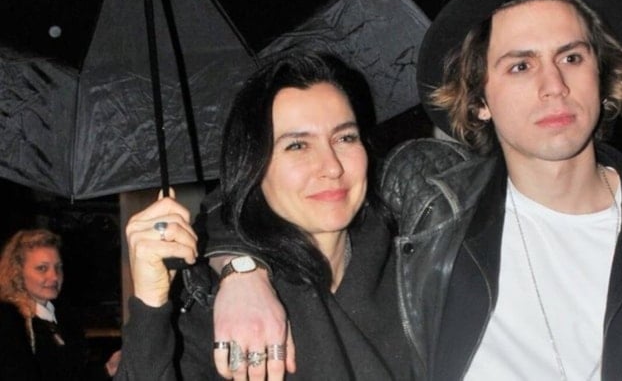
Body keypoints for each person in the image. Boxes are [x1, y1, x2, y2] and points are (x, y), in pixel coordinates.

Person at [205, 0, 622, 379]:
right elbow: (265, 194)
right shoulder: (425, 192)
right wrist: (242, 272)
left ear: (601, 76)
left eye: (571, 57)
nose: (553, 85)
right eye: (520, 65)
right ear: (479, 98)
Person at [114, 51, 413, 380]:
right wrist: (150, 304)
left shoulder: (416, 264)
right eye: (297, 145)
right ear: (254, 167)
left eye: (345, 138)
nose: (332, 167)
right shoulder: (220, 308)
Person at [0, 228, 122, 380]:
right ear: (17, 272)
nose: (54, 276)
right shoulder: (9, 323)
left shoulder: (63, 318)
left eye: (58, 267)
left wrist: (108, 369)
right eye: (42, 268)